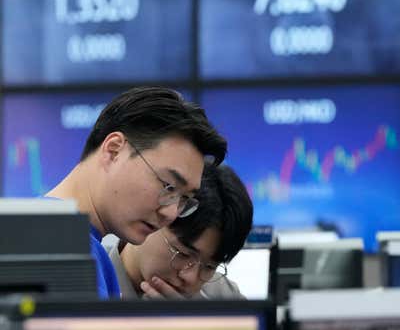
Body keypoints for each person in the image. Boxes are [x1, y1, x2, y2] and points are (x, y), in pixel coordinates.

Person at [45, 87, 227, 298]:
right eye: (168, 186)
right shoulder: (68, 259)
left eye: (184, 199)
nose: (171, 213)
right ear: (114, 150)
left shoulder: (70, 245)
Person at [107, 164, 253, 299]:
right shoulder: (90, 286)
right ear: (154, 217)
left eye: (209, 267)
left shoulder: (223, 299)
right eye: (182, 254)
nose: (190, 277)